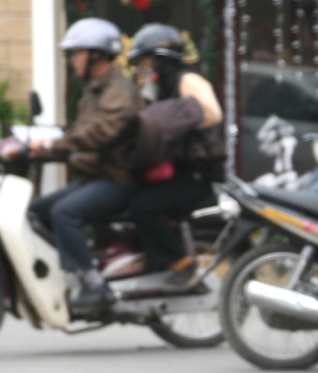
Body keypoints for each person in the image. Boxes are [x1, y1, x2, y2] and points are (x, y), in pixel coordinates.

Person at [28, 18, 141, 317]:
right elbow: (79, 132)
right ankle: (78, 262)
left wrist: (53, 145)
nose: (72, 60)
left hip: (118, 179)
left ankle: (92, 284)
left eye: (76, 53)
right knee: (37, 211)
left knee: (64, 212)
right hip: (95, 177)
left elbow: (99, 133)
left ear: (97, 54)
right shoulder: (95, 91)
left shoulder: (119, 90)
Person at [123, 23, 226, 287]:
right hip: (176, 172)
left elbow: (213, 113)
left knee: (145, 207)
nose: (143, 68)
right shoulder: (159, 89)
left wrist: (174, 121)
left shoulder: (187, 80)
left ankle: (182, 264)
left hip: (198, 175)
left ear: (160, 59)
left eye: (146, 61)